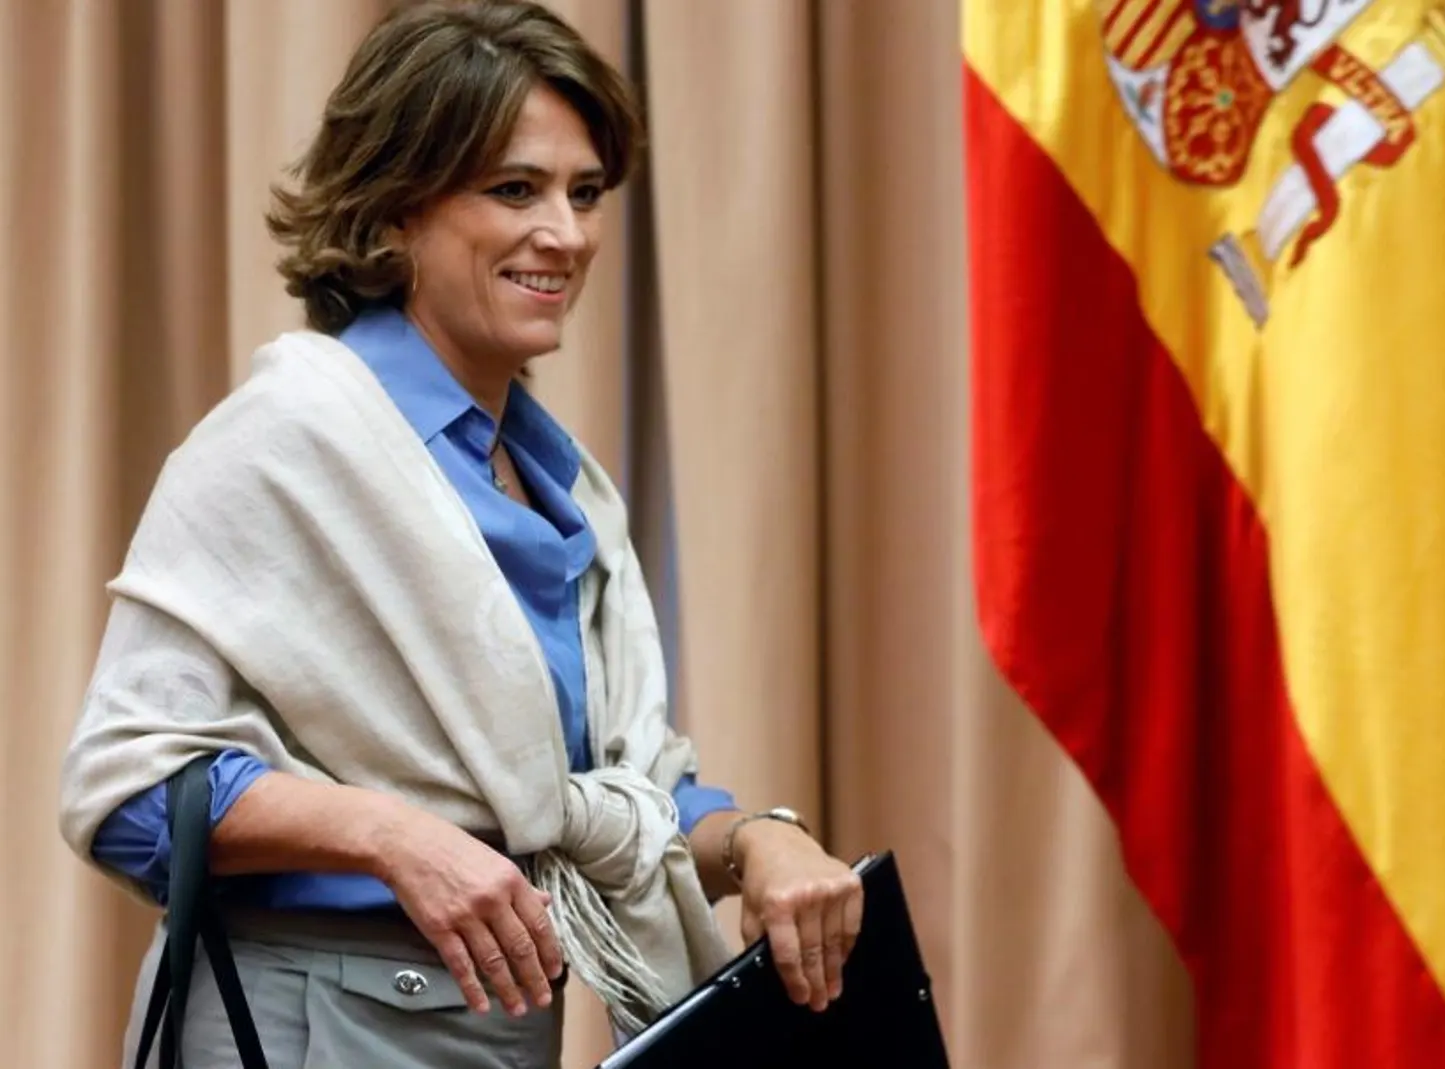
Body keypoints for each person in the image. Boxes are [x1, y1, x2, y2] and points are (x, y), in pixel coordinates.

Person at [55, 2, 864, 1065]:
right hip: (308, 1023)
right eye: (513, 189)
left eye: (585, 194)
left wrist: (762, 834)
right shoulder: (289, 441)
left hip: (494, 1025)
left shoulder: (562, 481)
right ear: (394, 210)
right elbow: (124, 793)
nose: (567, 235)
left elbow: (582, 805)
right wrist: (389, 836)